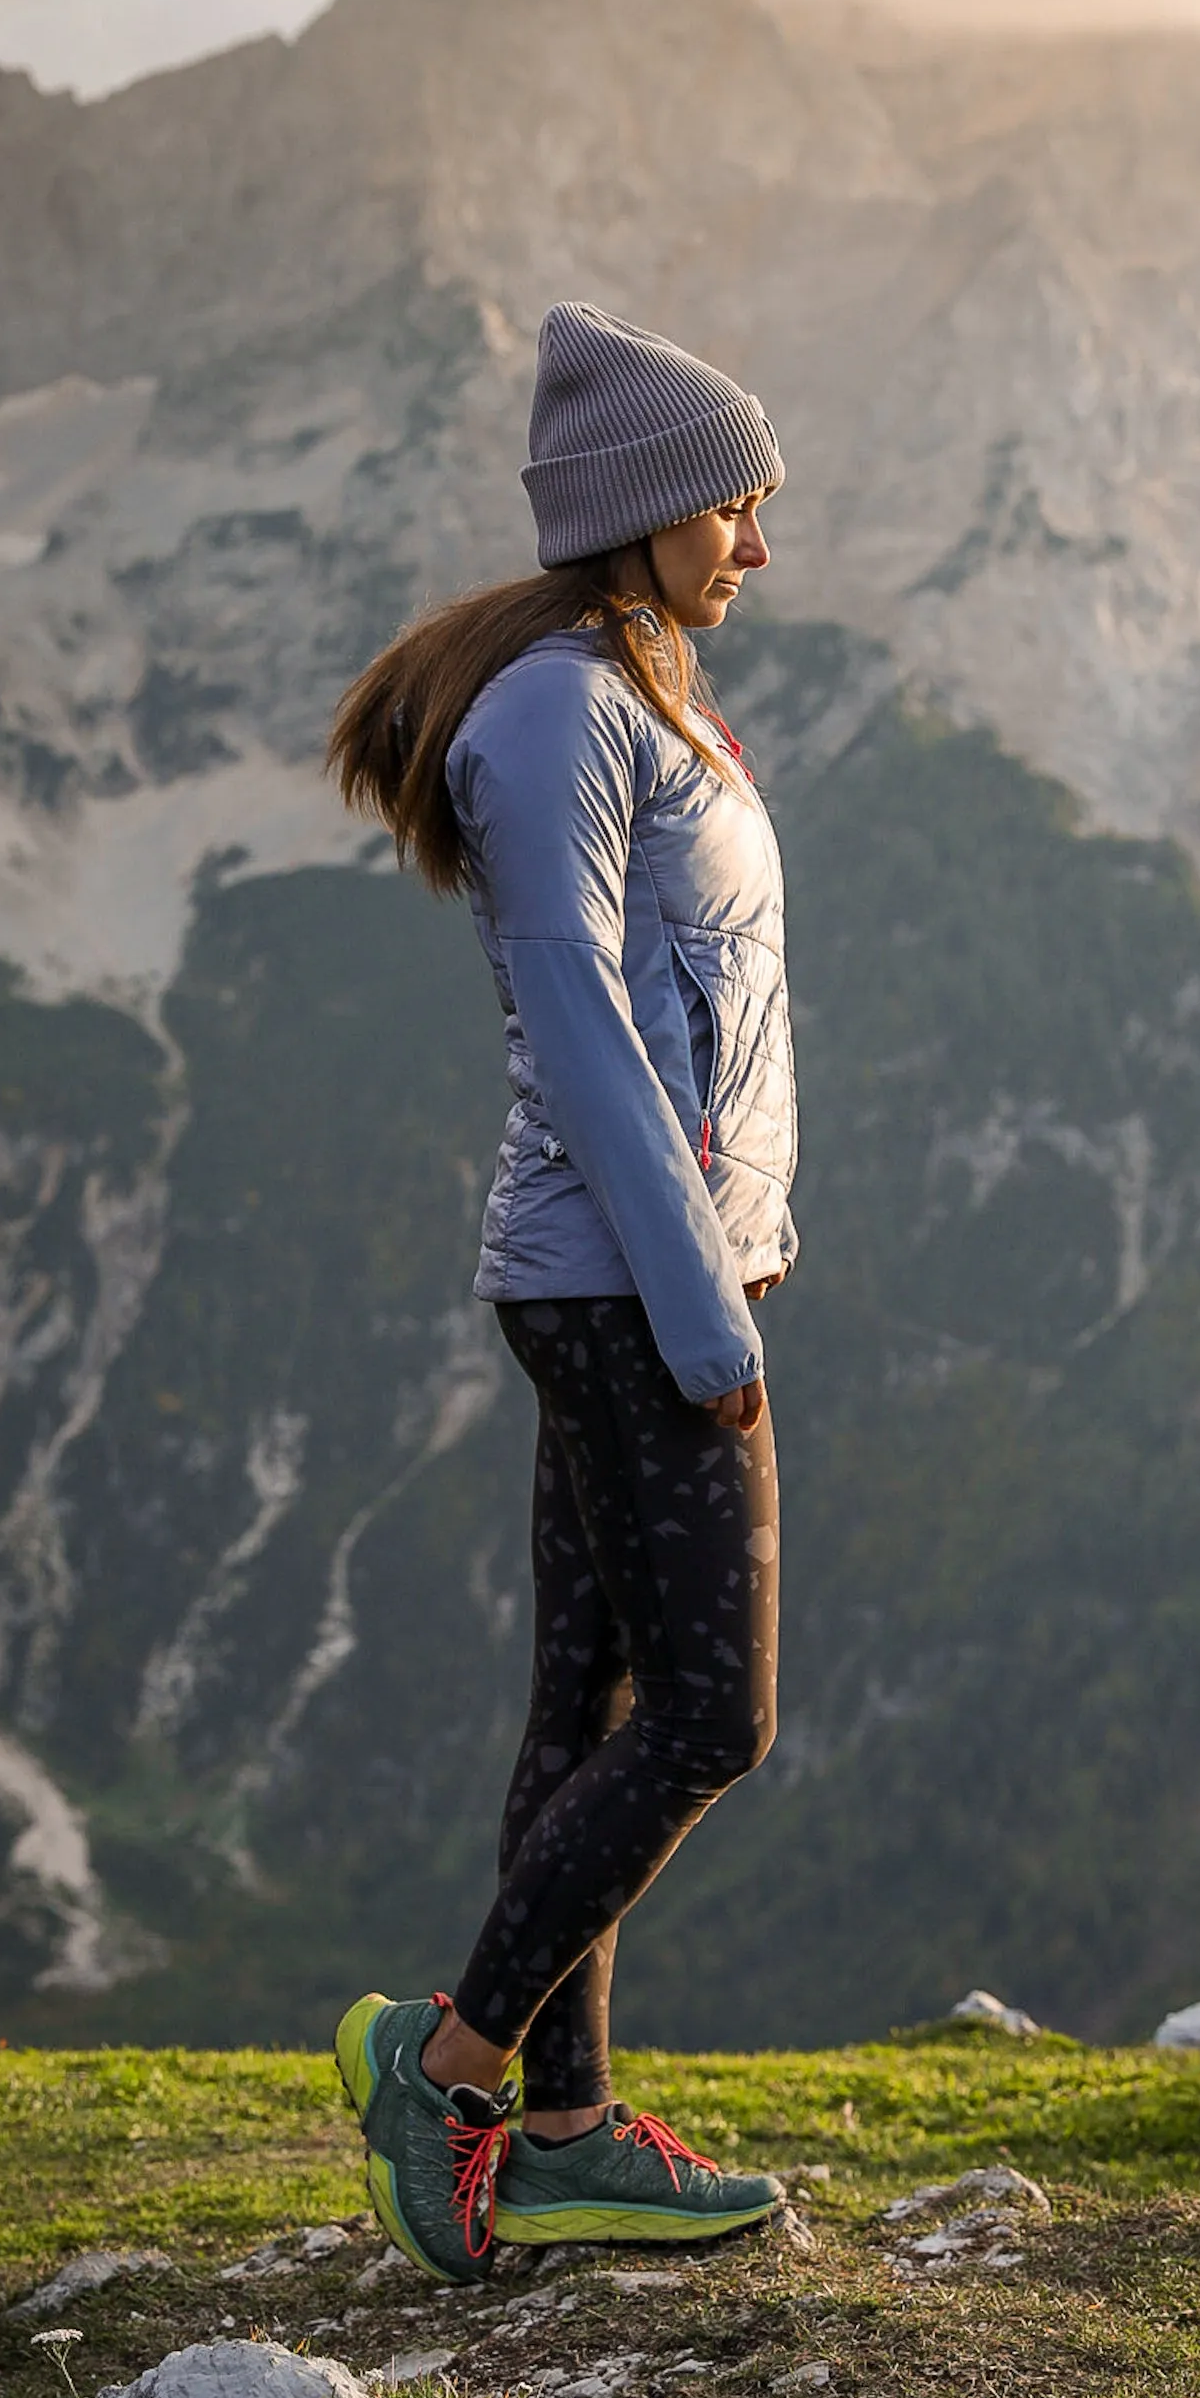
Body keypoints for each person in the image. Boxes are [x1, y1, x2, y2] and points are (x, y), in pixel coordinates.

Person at [325, 302, 798, 2284]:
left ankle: (579, 2131)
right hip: (627, 1290)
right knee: (711, 1715)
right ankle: (445, 2077)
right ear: (645, 508)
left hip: (638, 1271)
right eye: (737, 507)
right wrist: (708, 1324)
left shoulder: (621, 675)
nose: (758, 545)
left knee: (587, 1697)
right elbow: (590, 1040)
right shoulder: (557, 712)